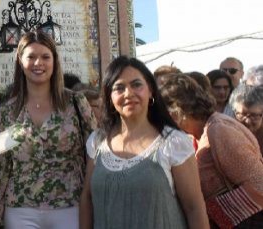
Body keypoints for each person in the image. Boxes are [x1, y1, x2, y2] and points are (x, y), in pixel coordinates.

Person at [79, 57, 209, 228]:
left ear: (151, 91)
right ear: (110, 97)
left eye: (136, 85)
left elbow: (194, 208)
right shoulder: (97, 142)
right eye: (119, 88)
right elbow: (87, 199)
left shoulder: (173, 143)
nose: (128, 93)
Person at [0, 31, 97, 228]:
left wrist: (91, 200)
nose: (38, 63)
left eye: (45, 57)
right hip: (21, 209)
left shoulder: (76, 103)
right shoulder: (6, 112)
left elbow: (94, 154)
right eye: (31, 56)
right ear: (20, 61)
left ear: (55, 61)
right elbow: (2, 167)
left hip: (69, 206)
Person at [160, 73, 263, 228]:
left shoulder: (219, 130)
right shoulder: (198, 133)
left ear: (177, 110)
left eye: (164, 112)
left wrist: (213, 213)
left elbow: (259, 185)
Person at [229, 84, 263, 154]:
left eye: (254, 115)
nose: (247, 121)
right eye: (242, 114)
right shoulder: (226, 135)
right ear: (234, 113)